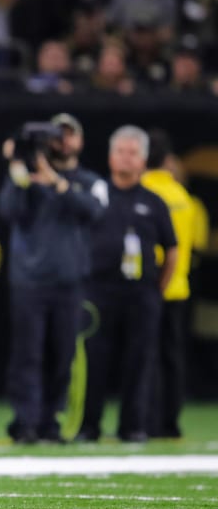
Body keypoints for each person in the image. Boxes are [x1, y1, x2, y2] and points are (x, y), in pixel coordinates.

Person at [0, 113, 106, 443]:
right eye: (56, 135)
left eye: (68, 135)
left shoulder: (89, 180)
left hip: (69, 281)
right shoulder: (25, 180)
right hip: (29, 281)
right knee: (28, 354)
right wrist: (19, 169)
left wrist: (54, 180)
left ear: (80, 141)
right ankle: (26, 421)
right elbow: (8, 210)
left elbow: (95, 211)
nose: (62, 141)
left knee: (62, 355)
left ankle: (50, 420)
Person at [78, 126, 176, 443]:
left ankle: (133, 426)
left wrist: (156, 290)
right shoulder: (97, 194)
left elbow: (171, 250)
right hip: (99, 291)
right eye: (120, 151)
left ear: (144, 160)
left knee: (139, 360)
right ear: (110, 156)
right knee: (95, 361)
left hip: (141, 292)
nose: (126, 158)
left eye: (133, 152)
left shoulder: (154, 202)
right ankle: (88, 426)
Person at [141, 129, 198, 438]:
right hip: (179, 287)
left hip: (150, 285)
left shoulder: (144, 191)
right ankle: (170, 422)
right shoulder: (182, 195)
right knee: (172, 359)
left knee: (147, 359)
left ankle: (147, 421)